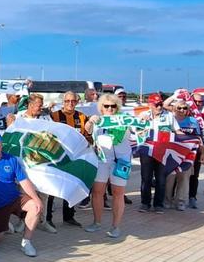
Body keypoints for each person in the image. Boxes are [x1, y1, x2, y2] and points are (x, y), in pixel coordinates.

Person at [83, 93, 131, 238]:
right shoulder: (98, 120)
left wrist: (143, 120)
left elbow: (140, 128)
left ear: (117, 107)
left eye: (113, 106)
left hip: (121, 161)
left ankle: (116, 226)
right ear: (101, 107)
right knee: (97, 192)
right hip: (101, 160)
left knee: (118, 193)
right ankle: (97, 222)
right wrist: (90, 121)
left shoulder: (125, 120)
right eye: (106, 106)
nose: (110, 108)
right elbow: (87, 129)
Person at [9, 94, 58, 234]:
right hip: (25, 162)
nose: (41, 108)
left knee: (44, 192)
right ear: (30, 105)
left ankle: (42, 221)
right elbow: (11, 136)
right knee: (26, 193)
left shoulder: (45, 118)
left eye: (42, 105)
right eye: (38, 105)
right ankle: (23, 221)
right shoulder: (18, 118)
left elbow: (54, 135)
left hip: (42, 162)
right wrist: (10, 123)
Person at [48, 91, 90, 227]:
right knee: (52, 188)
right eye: (67, 101)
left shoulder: (82, 117)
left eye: (73, 101)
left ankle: (69, 216)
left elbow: (88, 136)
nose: (70, 103)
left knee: (71, 186)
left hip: (75, 158)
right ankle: (47, 218)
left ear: (77, 102)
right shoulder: (53, 116)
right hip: (57, 157)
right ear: (63, 102)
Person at [137, 92, 175, 213]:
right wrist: (141, 121)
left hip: (162, 151)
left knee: (161, 179)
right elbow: (135, 131)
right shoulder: (143, 114)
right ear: (150, 104)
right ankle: (145, 203)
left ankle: (158, 204)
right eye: (156, 104)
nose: (159, 107)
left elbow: (177, 131)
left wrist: (189, 140)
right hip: (147, 151)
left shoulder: (169, 116)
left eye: (160, 104)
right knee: (146, 178)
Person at [164, 98, 203, 211]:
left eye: (184, 108)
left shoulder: (193, 121)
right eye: (179, 108)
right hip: (171, 154)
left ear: (188, 110)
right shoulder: (169, 119)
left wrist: (202, 152)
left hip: (188, 155)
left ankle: (181, 201)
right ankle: (167, 200)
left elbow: (198, 137)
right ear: (174, 109)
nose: (182, 110)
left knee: (184, 177)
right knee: (170, 177)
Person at [187, 92, 204, 208]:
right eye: (196, 101)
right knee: (176, 175)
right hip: (182, 150)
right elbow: (166, 105)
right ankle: (172, 196)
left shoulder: (202, 117)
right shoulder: (182, 113)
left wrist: (203, 152)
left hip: (197, 149)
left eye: (200, 102)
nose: (198, 104)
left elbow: (201, 136)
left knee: (194, 175)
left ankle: (192, 197)